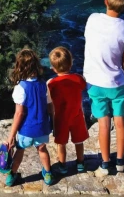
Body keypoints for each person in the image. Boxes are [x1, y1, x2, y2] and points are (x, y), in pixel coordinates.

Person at [83, 0, 124, 176]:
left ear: (106, 1)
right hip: (117, 83)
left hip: (95, 82)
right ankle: (120, 161)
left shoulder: (92, 19)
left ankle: (105, 163)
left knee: (104, 124)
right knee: (120, 122)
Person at [5, 48, 54, 187]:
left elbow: (19, 113)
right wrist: (53, 124)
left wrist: (11, 135)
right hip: (42, 127)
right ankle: (48, 174)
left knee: (19, 151)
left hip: (27, 129)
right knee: (42, 149)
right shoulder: (43, 84)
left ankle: (11, 176)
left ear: (19, 66)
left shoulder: (21, 87)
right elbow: (50, 106)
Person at [48, 46, 89, 175]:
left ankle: (62, 165)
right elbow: (83, 85)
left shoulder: (51, 83)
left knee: (61, 143)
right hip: (77, 115)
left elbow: (49, 101)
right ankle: (80, 162)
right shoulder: (79, 79)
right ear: (71, 63)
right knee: (78, 141)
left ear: (53, 68)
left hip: (60, 118)